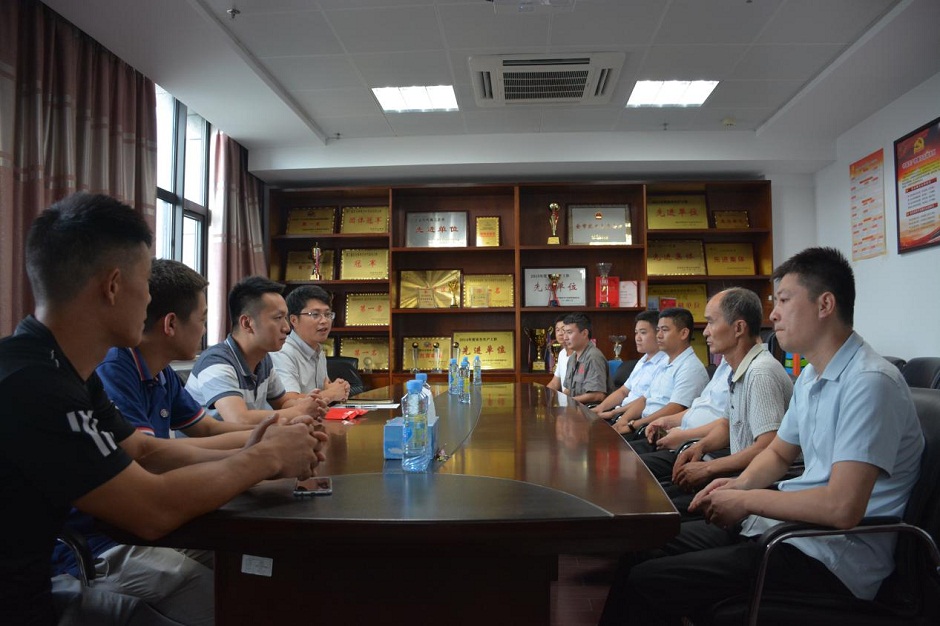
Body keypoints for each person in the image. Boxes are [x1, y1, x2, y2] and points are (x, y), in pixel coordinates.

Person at [0, 193, 327, 626]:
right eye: (145, 285)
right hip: (51, 585)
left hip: (48, 581)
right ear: (114, 286)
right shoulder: (35, 385)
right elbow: (150, 509)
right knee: (244, 605)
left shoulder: (65, 370)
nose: (151, 301)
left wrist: (255, 447)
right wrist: (264, 457)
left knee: (267, 576)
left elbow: (144, 450)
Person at [600, 247, 924, 625]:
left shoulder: (869, 382)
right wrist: (736, 486)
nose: (772, 314)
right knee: (643, 546)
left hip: (830, 558)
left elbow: (842, 507)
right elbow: (779, 454)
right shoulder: (812, 376)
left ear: (825, 304)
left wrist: (747, 499)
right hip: (787, 531)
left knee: (648, 581)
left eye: (784, 300)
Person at [639, 288, 794, 516]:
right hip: (735, 477)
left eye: (711, 322)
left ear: (738, 328)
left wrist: (709, 467)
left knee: (654, 512)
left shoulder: (760, 372)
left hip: (750, 491)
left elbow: (767, 446)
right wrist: (700, 446)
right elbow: (726, 423)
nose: (705, 332)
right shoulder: (738, 369)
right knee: (651, 502)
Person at [184, 276, 325, 425]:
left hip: (247, 439)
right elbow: (239, 419)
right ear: (247, 323)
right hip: (214, 441)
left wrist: (308, 404)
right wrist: (299, 411)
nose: (287, 328)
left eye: (285, 318)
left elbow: (283, 403)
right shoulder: (216, 362)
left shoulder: (263, 359)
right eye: (278, 318)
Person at [609, 307, 709, 437]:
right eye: (658, 330)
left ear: (683, 333)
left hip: (659, 432)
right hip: (642, 425)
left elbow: (675, 408)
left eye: (665, 330)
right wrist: (623, 421)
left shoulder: (690, 367)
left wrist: (633, 426)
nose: (659, 335)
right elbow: (644, 399)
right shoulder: (665, 362)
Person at [271, 285, 350, 404]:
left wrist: (338, 387)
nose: (324, 321)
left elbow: (325, 389)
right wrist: (332, 394)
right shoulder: (282, 352)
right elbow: (287, 401)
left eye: (328, 314)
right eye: (315, 314)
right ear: (294, 320)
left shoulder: (318, 350)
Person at [591, 310, 667, 420]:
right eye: (636, 333)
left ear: (658, 334)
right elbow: (623, 391)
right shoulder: (642, 360)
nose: (638, 338)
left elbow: (645, 400)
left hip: (634, 418)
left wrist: (616, 414)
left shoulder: (665, 364)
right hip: (620, 413)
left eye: (643, 333)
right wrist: (599, 408)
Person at [560, 312, 609, 405]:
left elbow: (598, 395)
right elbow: (568, 390)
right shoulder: (572, 358)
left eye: (569, 332)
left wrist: (568, 401)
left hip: (590, 410)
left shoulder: (593, 357)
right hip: (575, 407)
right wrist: (558, 400)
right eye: (564, 332)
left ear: (584, 333)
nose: (565, 337)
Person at [546, 314, 572, 392]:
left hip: (574, 399)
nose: (560, 333)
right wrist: (543, 396)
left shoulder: (579, 354)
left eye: (563, 329)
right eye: (557, 330)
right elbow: (555, 383)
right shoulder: (562, 354)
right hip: (565, 398)